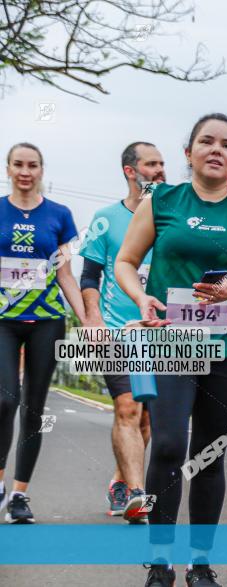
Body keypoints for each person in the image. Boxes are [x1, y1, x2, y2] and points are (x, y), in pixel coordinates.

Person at [115, 113, 227, 587]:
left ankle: (201, 562)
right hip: (170, 340)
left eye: (226, 144)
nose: (216, 149)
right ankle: (160, 559)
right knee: (168, 444)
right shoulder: (162, 199)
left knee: (209, 452)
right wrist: (139, 295)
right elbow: (126, 261)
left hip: (225, 346)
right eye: (205, 141)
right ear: (188, 153)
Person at [0, 143, 87, 524]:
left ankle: (20, 494)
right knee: (4, 400)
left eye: (32, 165)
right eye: (18, 164)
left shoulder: (59, 215)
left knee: (33, 408)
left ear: (41, 170)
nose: (25, 171)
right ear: (7, 168)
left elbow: (66, 275)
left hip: (47, 320)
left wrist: (88, 321)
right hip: (3, 319)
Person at [80, 141, 165, 522]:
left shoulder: (170, 218)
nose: (160, 170)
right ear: (130, 171)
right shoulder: (105, 218)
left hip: (161, 331)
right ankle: (136, 493)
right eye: (151, 164)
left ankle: (120, 479)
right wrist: (93, 320)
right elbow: (89, 274)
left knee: (147, 418)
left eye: (162, 163)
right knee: (128, 406)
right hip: (117, 330)